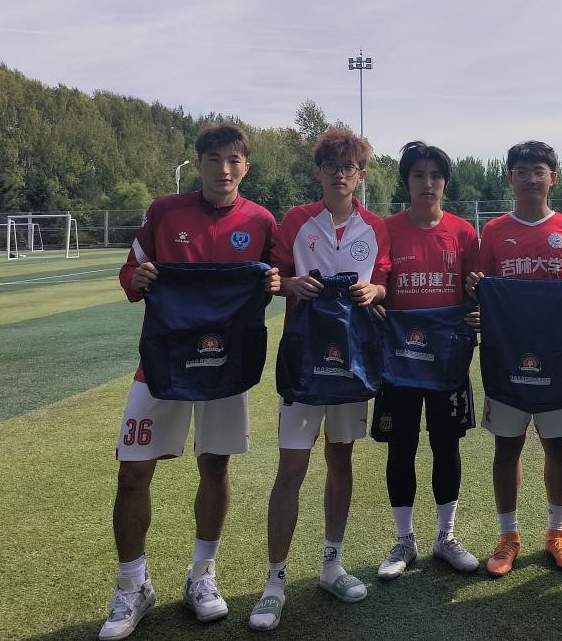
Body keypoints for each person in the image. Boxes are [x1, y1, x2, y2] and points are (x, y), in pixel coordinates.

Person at [101, 124, 280, 641]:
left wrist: (273, 281)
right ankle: (133, 583)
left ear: (246, 166)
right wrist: (135, 280)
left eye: (233, 160)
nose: (224, 169)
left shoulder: (261, 221)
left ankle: (202, 575)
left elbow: (278, 274)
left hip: (225, 364)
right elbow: (131, 270)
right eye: (213, 159)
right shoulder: (165, 212)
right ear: (197, 163)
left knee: (215, 465)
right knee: (133, 472)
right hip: (162, 362)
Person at [249, 128, 390, 629]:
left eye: (348, 167)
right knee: (291, 467)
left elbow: (385, 281)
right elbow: (271, 277)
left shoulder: (375, 226)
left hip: (353, 363)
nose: (339, 174)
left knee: (341, 460)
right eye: (331, 165)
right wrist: (288, 283)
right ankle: (274, 582)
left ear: (360, 175)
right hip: (304, 360)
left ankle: (332, 565)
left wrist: (375, 291)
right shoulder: (296, 220)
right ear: (318, 171)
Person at [467, 140, 562, 577]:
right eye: (522, 171)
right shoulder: (494, 231)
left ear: (553, 178)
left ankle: (557, 532)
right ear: (510, 178)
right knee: (507, 446)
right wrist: (476, 294)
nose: (531, 179)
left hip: (555, 356)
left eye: (539, 171)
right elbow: (482, 288)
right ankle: (508, 537)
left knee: (557, 445)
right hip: (507, 355)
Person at [373, 141, 482, 580]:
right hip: (398, 359)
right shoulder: (385, 230)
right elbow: (377, 283)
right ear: (407, 181)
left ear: (445, 183)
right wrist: (375, 300)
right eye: (418, 175)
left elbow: (475, 292)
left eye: (435, 175)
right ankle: (405, 540)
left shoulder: (463, 233)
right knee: (401, 445)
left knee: (446, 444)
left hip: (447, 361)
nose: (427, 183)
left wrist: (477, 306)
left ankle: (445, 536)